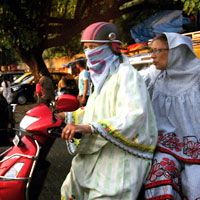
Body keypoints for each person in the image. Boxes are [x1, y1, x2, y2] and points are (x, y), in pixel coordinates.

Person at [60, 22, 158, 200]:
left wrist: (89, 128)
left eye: (93, 46)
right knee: (70, 187)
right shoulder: (102, 78)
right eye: (86, 47)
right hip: (100, 150)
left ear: (111, 47)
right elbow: (95, 111)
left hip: (122, 154)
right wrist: (67, 117)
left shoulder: (127, 75)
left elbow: (133, 114)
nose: (89, 52)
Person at [142, 33, 200, 200]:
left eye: (157, 51)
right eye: (150, 51)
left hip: (196, 145)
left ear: (176, 51)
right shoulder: (150, 78)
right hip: (165, 146)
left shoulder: (198, 76)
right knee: (161, 173)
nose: (152, 56)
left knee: (196, 182)